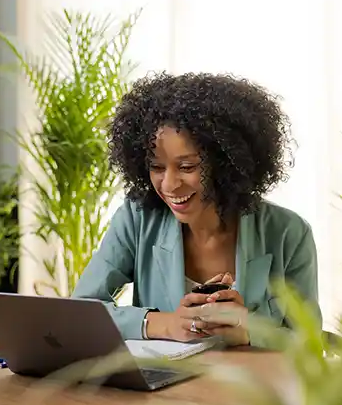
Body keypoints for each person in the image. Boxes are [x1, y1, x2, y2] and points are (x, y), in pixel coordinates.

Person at [72, 72, 320, 347]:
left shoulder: (289, 233)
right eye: (156, 167)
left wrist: (249, 331)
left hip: (252, 389)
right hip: (161, 388)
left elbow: (310, 343)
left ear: (226, 164)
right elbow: (81, 312)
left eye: (187, 167)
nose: (169, 184)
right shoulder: (137, 219)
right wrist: (165, 324)